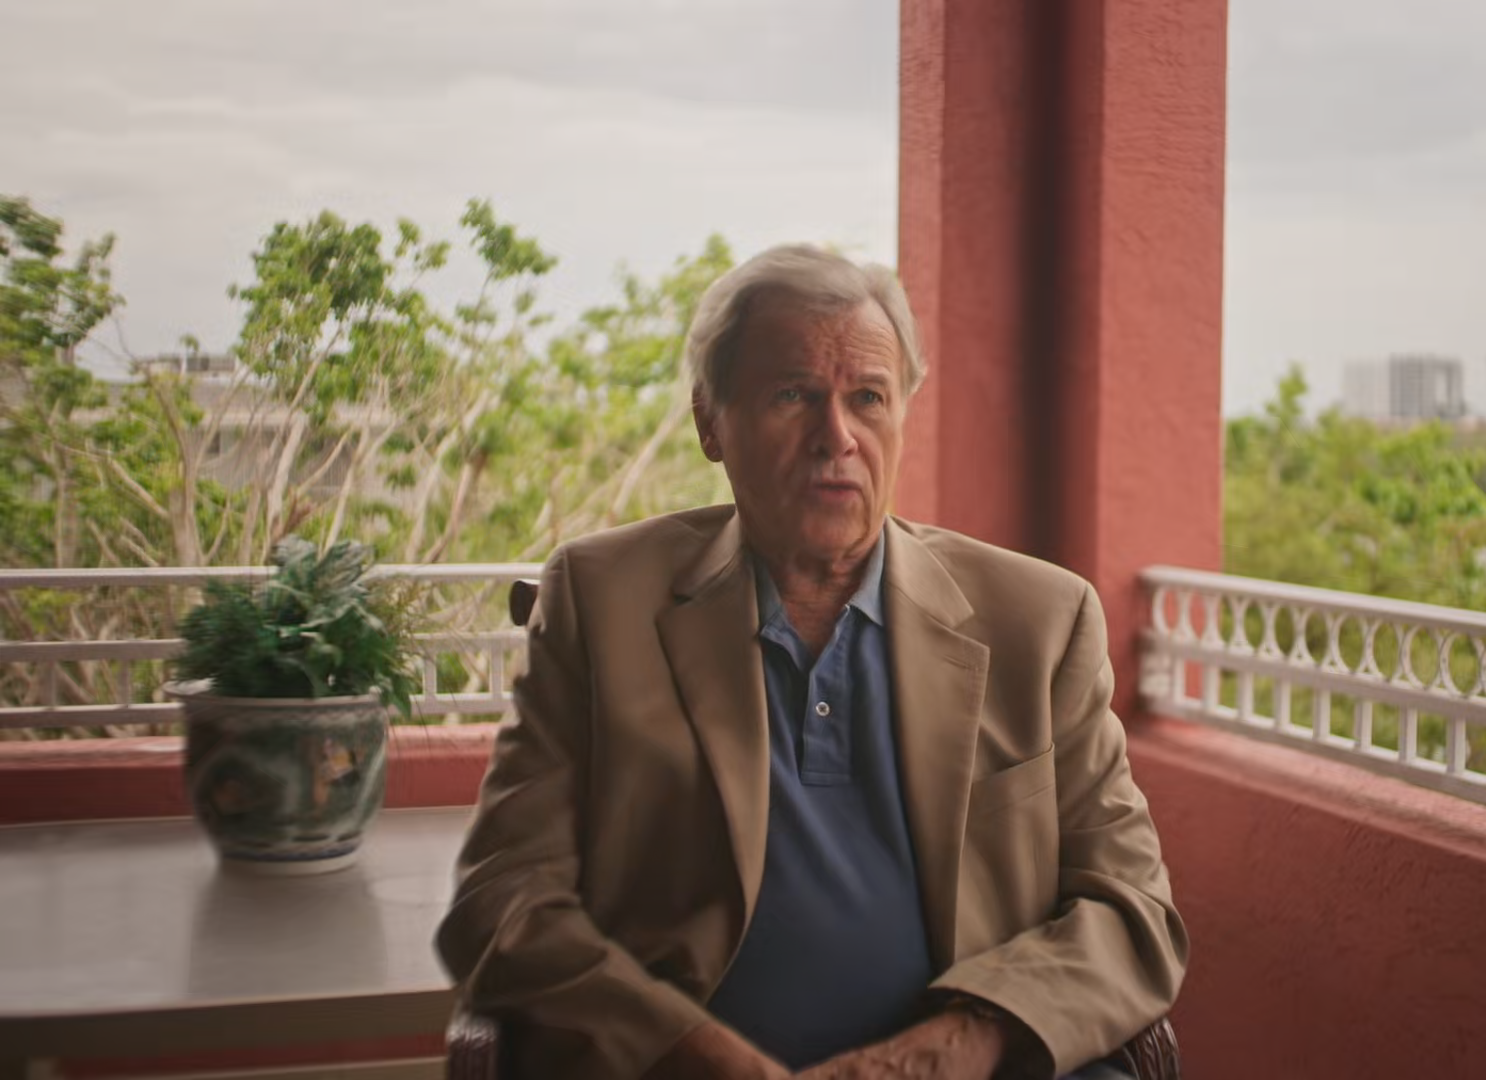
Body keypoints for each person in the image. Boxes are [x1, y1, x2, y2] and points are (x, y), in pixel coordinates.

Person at [436, 244, 1186, 1079]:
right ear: (710, 422)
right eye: (793, 395)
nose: (838, 437)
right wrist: (708, 1061)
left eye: (868, 398)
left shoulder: (1038, 622)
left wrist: (937, 1055)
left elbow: (1131, 910)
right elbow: (504, 898)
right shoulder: (603, 601)